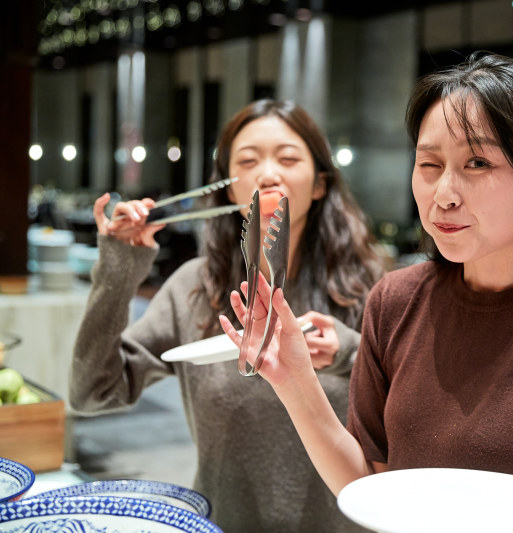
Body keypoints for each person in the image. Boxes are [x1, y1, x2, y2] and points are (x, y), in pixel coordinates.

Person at [222, 52, 513, 533]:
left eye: (477, 162)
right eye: (430, 164)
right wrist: (293, 379)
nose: (444, 194)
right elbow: (369, 483)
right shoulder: (394, 302)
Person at [69, 99, 385, 532]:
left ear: (319, 184)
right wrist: (119, 269)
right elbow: (92, 393)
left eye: (288, 158)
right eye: (248, 161)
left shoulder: (378, 290)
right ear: (229, 190)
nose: (268, 173)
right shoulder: (193, 289)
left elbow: (414, 419)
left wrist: (348, 351)